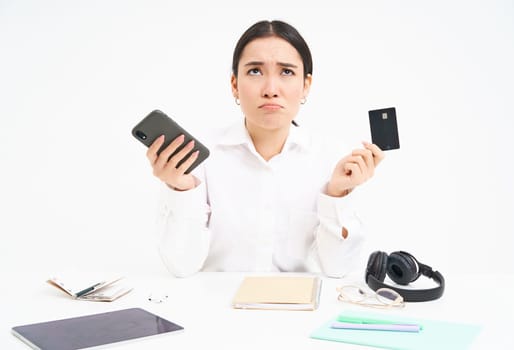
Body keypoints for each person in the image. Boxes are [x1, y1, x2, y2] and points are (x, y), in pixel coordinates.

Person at [146, 20, 384, 278]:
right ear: (234, 85)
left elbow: (338, 270)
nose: (271, 90)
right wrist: (181, 190)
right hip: (216, 310)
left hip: (299, 312)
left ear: (306, 85)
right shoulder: (200, 156)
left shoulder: (330, 156)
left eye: (286, 72)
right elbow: (181, 266)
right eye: (255, 72)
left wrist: (336, 194)